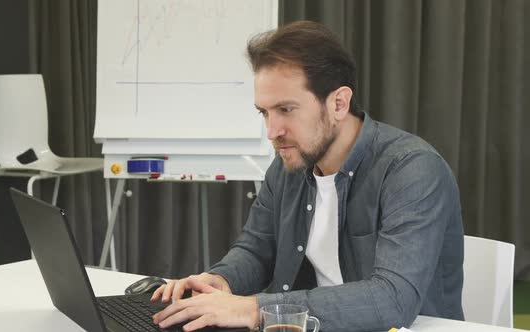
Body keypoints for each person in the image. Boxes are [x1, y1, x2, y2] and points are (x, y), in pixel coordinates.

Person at [151, 20, 465, 332]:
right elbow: (256, 250)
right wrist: (221, 280)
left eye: (286, 110)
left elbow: (392, 300)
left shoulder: (412, 169)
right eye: (264, 112)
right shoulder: (290, 163)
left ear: (339, 103)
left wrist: (255, 309)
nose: (272, 132)